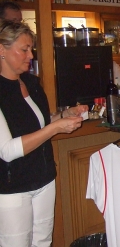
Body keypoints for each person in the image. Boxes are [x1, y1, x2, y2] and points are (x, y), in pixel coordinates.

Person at [0, 20, 88, 246]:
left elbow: (39, 124)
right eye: (24, 49)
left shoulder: (31, 82)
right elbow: (7, 150)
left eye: (31, 49)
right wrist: (54, 128)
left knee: (43, 242)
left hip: (43, 177)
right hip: (12, 187)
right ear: (2, 50)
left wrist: (64, 115)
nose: (31, 55)